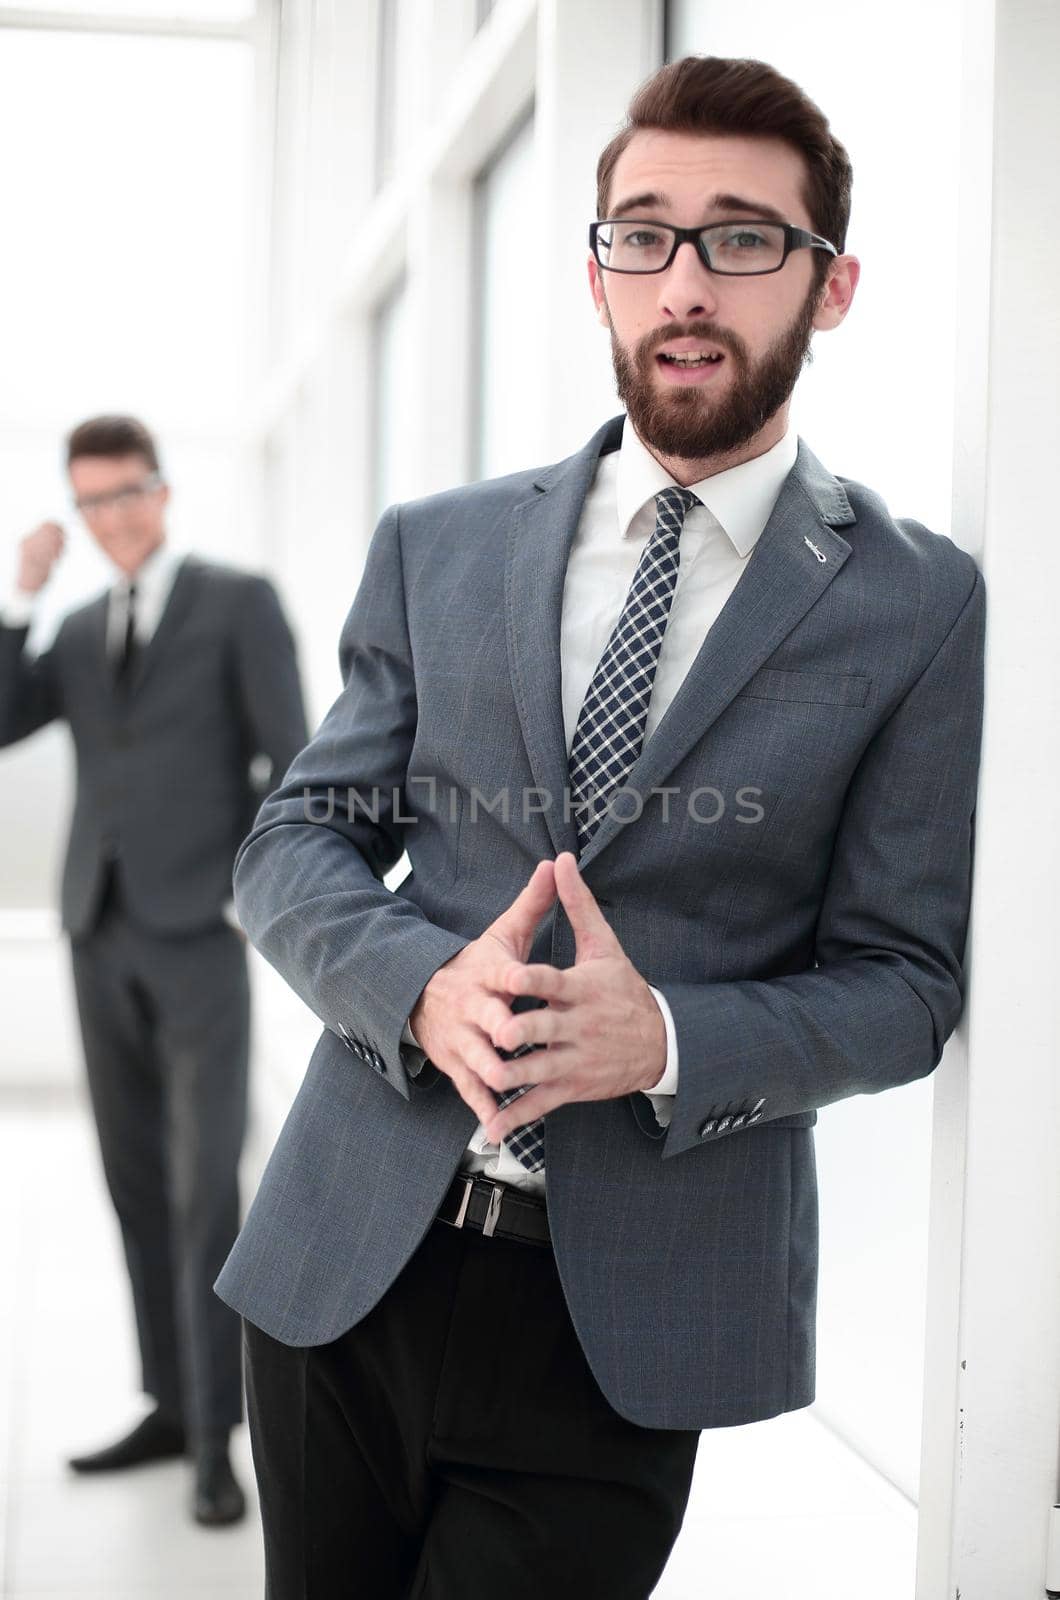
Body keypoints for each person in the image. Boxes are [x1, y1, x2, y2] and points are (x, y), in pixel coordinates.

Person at [216, 55, 986, 1597]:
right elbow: (293, 847)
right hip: (341, 1260)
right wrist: (420, 988)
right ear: (596, 273)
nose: (685, 281)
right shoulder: (438, 548)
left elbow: (907, 986)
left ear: (830, 289)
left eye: (743, 238)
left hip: (629, 1318)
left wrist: (669, 1042)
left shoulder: (916, 605)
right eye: (643, 235)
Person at [0, 415, 308, 1526]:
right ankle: (168, 1404)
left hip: (197, 937)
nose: (113, 517)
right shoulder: (77, 628)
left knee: (203, 1191)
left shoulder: (237, 601)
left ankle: (220, 1437)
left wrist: (246, 893)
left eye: (128, 493)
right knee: (134, 1181)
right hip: (98, 926)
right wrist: (19, 599)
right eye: (91, 503)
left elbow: (295, 760)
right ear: (76, 514)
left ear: (164, 491)